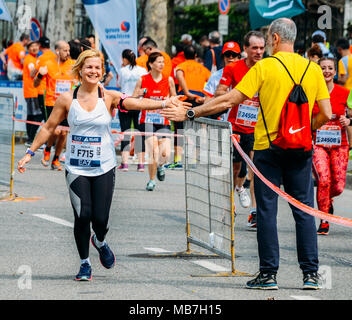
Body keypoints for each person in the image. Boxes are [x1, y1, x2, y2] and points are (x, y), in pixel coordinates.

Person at [161, 18, 332, 290]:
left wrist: (191, 112)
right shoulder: (312, 69)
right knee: (304, 212)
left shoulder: (265, 67)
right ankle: (310, 274)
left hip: (268, 147)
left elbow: (230, 100)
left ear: (275, 39)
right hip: (301, 148)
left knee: (266, 211)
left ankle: (269, 275)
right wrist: (304, 129)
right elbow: (326, 113)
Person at [17, 49, 188, 281]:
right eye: (89, 67)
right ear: (80, 69)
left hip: (104, 166)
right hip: (76, 168)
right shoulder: (67, 99)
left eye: (97, 68)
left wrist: (163, 102)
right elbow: (48, 127)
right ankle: (84, 263)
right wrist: (30, 152)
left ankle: (100, 240)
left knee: (100, 220)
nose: (93, 71)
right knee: (82, 214)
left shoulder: (110, 97)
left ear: (102, 71)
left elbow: (136, 102)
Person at [215, 31, 265, 229]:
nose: (259, 52)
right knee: (236, 168)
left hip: (258, 126)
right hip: (236, 125)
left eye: (262, 48)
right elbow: (220, 91)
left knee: (255, 168)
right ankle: (232, 200)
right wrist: (231, 94)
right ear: (245, 49)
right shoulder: (233, 68)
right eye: (254, 48)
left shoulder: (267, 68)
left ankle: (254, 212)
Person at [312, 57, 351, 235]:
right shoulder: (311, 91)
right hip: (318, 144)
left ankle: (327, 201)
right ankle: (324, 219)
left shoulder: (344, 92)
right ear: (318, 71)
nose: (326, 71)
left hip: (339, 144)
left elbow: (351, 116)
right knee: (324, 180)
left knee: (338, 186)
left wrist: (347, 120)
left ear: (335, 72)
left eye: (330, 68)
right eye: (323, 68)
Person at [133, 51, 177, 191]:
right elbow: (132, 99)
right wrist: (138, 94)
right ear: (151, 64)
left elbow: (175, 97)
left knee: (165, 154)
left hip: (163, 119)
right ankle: (151, 180)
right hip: (147, 120)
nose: (161, 64)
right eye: (158, 61)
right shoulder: (142, 79)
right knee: (153, 150)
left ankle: (161, 166)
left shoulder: (168, 80)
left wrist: (171, 102)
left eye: (163, 62)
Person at [167, 45, 211, 170]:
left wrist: (187, 93)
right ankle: (193, 161)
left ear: (183, 55)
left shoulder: (180, 66)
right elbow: (211, 82)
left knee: (179, 130)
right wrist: (204, 97)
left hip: (184, 100)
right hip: (199, 100)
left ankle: (178, 160)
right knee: (196, 130)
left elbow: (180, 78)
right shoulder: (203, 69)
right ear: (196, 55)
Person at [34, 40, 75, 171]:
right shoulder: (48, 64)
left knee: (63, 133)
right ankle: (47, 149)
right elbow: (35, 84)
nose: (68, 53)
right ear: (57, 51)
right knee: (55, 130)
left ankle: (56, 159)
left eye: (69, 50)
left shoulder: (72, 65)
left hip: (67, 103)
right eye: (65, 50)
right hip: (51, 102)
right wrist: (40, 75)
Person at [117, 49, 148, 172]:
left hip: (125, 102)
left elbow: (120, 85)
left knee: (125, 132)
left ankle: (125, 164)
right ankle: (141, 164)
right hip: (139, 103)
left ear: (125, 59)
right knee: (140, 133)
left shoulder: (122, 70)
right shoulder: (142, 71)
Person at [23, 41, 42, 147]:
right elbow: (32, 73)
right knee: (38, 116)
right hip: (32, 91)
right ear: (28, 49)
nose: (34, 48)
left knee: (31, 116)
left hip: (31, 91)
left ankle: (29, 139)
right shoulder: (30, 60)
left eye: (36, 45)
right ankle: (30, 140)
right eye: (32, 46)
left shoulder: (34, 59)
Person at [34, 36, 57, 121]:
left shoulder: (41, 58)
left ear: (40, 45)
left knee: (46, 118)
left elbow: (33, 73)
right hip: (53, 92)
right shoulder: (55, 56)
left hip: (42, 91)